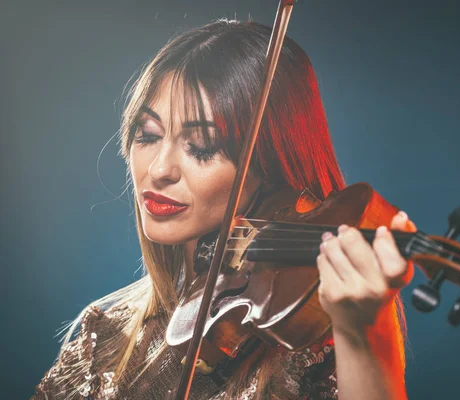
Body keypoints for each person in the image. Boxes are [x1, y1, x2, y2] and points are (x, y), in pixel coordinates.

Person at [31, 19, 417, 400]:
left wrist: (364, 335)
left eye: (202, 147)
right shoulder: (103, 342)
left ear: (271, 168)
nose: (159, 169)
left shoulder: (317, 350)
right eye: (147, 135)